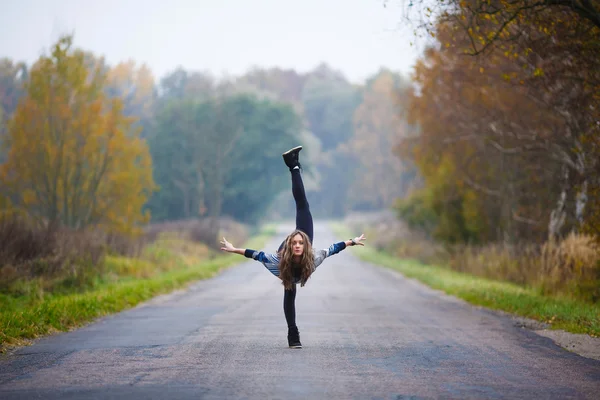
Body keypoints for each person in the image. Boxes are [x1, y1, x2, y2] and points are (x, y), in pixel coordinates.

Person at [220, 145, 366, 349]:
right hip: (285, 257)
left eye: (300, 243)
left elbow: (332, 249)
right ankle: (293, 333)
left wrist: (351, 241)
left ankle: (293, 165)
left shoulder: (312, 258)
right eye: (295, 243)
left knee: (303, 206)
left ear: (305, 245)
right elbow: (256, 254)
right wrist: (234, 248)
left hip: (301, 248)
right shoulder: (279, 261)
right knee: (290, 290)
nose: (298, 245)